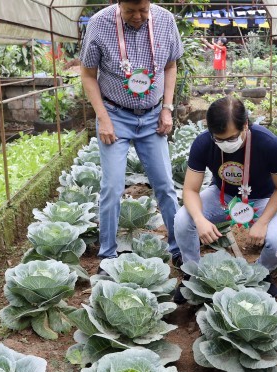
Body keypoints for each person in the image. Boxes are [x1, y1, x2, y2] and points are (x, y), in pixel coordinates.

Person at [80, 0, 183, 269]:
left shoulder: (165, 20)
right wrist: (103, 118)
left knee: (166, 187)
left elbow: (170, 66)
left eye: (143, 10)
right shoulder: (99, 24)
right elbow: (88, 74)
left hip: (152, 117)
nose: (137, 17)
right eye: (130, 11)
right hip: (115, 115)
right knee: (112, 188)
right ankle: (107, 254)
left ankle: (179, 248)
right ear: (119, 4)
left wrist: (167, 108)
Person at [173, 96, 277, 303]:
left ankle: (260, 275)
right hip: (223, 196)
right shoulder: (203, 143)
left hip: (262, 199)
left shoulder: (268, 143)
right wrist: (200, 220)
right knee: (184, 220)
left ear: (245, 124)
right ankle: (192, 274)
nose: (225, 144)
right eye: (218, 139)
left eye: (231, 138)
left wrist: (263, 222)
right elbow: (190, 190)